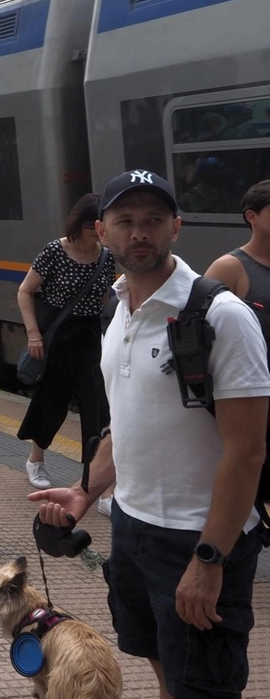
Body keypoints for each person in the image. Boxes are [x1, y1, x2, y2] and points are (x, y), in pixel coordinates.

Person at [31, 169, 269, 699]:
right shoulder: (119, 311)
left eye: (154, 221)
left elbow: (248, 451)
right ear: (102, 231)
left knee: (204, 684)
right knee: (162, 660)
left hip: (198, 538)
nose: (141, 232)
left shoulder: (220, 316)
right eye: (126, 221)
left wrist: (210, 561)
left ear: (175, 228)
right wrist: (86, 490)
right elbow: (126, 422)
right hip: (133, 528)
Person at [15, 194, 116, 493]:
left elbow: (104, 298)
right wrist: (34, 334)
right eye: (89, 224)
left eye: (98, 225)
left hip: (90, 334)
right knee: (52, 399)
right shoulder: (55, 251)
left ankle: (94, 477)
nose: (95, 230)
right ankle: (36, 459)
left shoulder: (107, 257)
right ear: (80, 223)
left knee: (97, 405)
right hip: (57, 333)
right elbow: (25, 291)